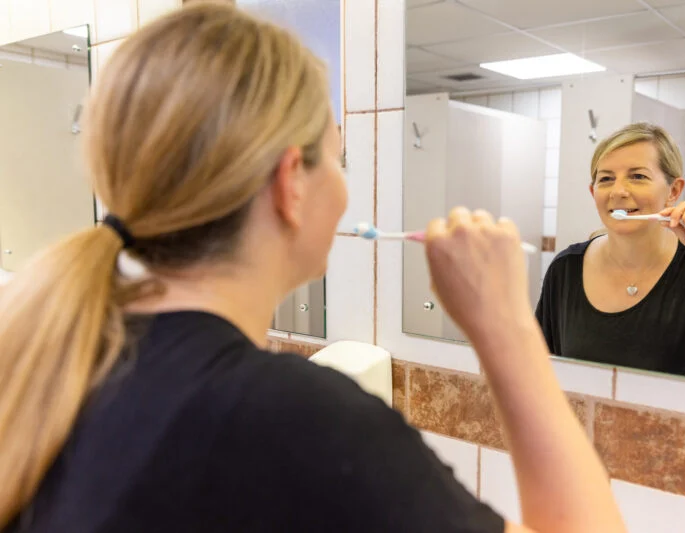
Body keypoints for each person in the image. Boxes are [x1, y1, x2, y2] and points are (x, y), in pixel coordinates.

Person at [0, 4, 626, 533]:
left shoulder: (67, 355)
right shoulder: (291, 421)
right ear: (289, 186)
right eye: (338, 157)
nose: (345, 188)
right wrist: (505, 328)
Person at [536, 122, 685, 383]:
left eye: (637, 176)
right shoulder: (565, 269)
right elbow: (540, 373)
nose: (618, 191)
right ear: (594, 193)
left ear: (673, 191)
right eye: (606, 179)